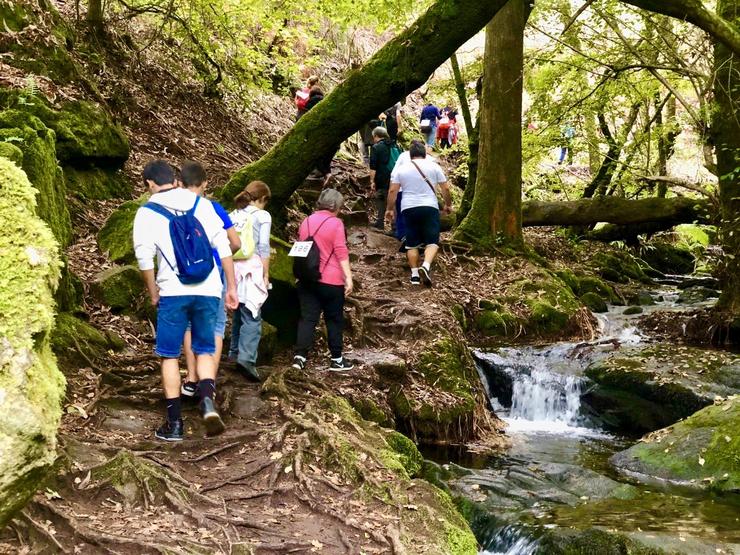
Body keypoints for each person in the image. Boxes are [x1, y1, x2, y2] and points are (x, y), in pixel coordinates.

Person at [133, 160, 238, 441]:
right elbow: (225, 247)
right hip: (209, 289)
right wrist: (232, 287)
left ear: (150, 184)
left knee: (169, 355)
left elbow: (144, 257)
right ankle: (206, 401)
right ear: (175, 179)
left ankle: (175, 424)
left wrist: (152, 290)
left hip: (173, 292)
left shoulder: (146, 212)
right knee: (204, 348)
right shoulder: (200, 204)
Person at [179, 161, 241, 401]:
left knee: (187, 326)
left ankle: (191, 379)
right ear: (205, 183)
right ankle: (208, 383)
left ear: (180, 184)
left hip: (183, 274)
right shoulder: (214, 208)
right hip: (213, 272)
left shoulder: (173, 209)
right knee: (215, 325)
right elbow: (235, 243)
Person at [292, 189, 354, 372]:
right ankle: (336, 359)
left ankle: (299, 357)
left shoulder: (307, 221)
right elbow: (341, 252)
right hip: (331, 280)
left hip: (307, 278)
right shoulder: (336, 224)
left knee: (307, 318)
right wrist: (348, 278)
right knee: (334, 319)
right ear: (336, 206)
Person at [386, 141, 452, 287]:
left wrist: (390, 209)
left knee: (411, 243)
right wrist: (448, 205)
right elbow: (445, 188)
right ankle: (426, 266)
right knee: (432, 242)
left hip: (408, 208)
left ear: (410, 154)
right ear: (425, 153)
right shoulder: (434, 166)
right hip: (430, 207)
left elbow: (392, 191)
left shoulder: (401, 169)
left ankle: (415, 275)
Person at [227, 181, 272, 381]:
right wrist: (266, 273)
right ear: (262, 199)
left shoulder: (233, 215)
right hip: (251, 268)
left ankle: (234, 354)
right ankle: (247, 359)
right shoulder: (262, 216)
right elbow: (263, 247)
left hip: (233, 268)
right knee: (252, 316)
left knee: (238, 312)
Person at [303, 86, 336, 186]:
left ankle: (326, 174)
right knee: (326, 159)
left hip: (319, 135)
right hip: (333, 135)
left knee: (316, 157)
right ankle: (328, 174)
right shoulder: (328, 101)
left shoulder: (310, 102)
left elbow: (307, 118)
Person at [369, 126, 394, 230]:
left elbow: (373, 166)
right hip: (395, 177)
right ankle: (395, 226)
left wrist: (372, 181)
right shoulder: (394, 144)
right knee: (394, 200)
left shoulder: (376, 147)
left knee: (381, 198)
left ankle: (380, 222)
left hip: (382, 177)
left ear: (376, 136)